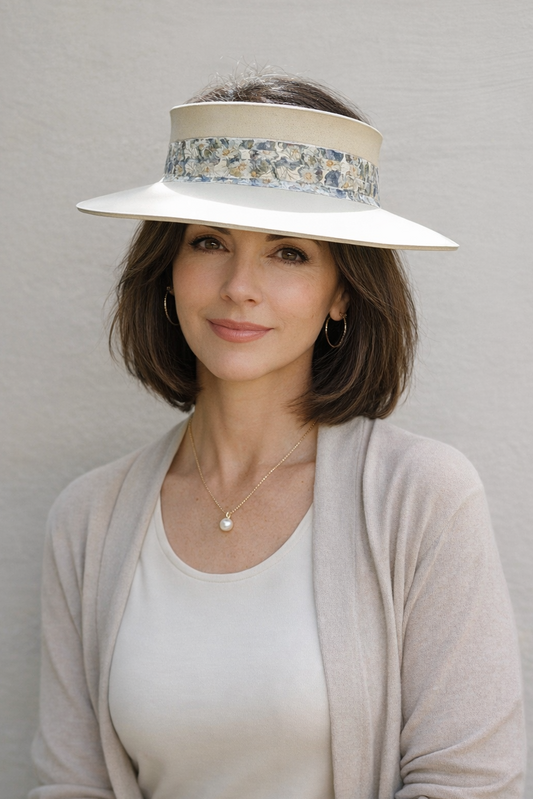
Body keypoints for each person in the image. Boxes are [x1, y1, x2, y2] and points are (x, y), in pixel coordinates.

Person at [30, 72, 526, 799]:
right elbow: (69, 785)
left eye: (287, 251)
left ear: (341, 292)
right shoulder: (88, 519)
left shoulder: (422, 498)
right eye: (209, 241)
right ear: (169, 271)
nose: (239, 285)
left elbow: (470, 784)